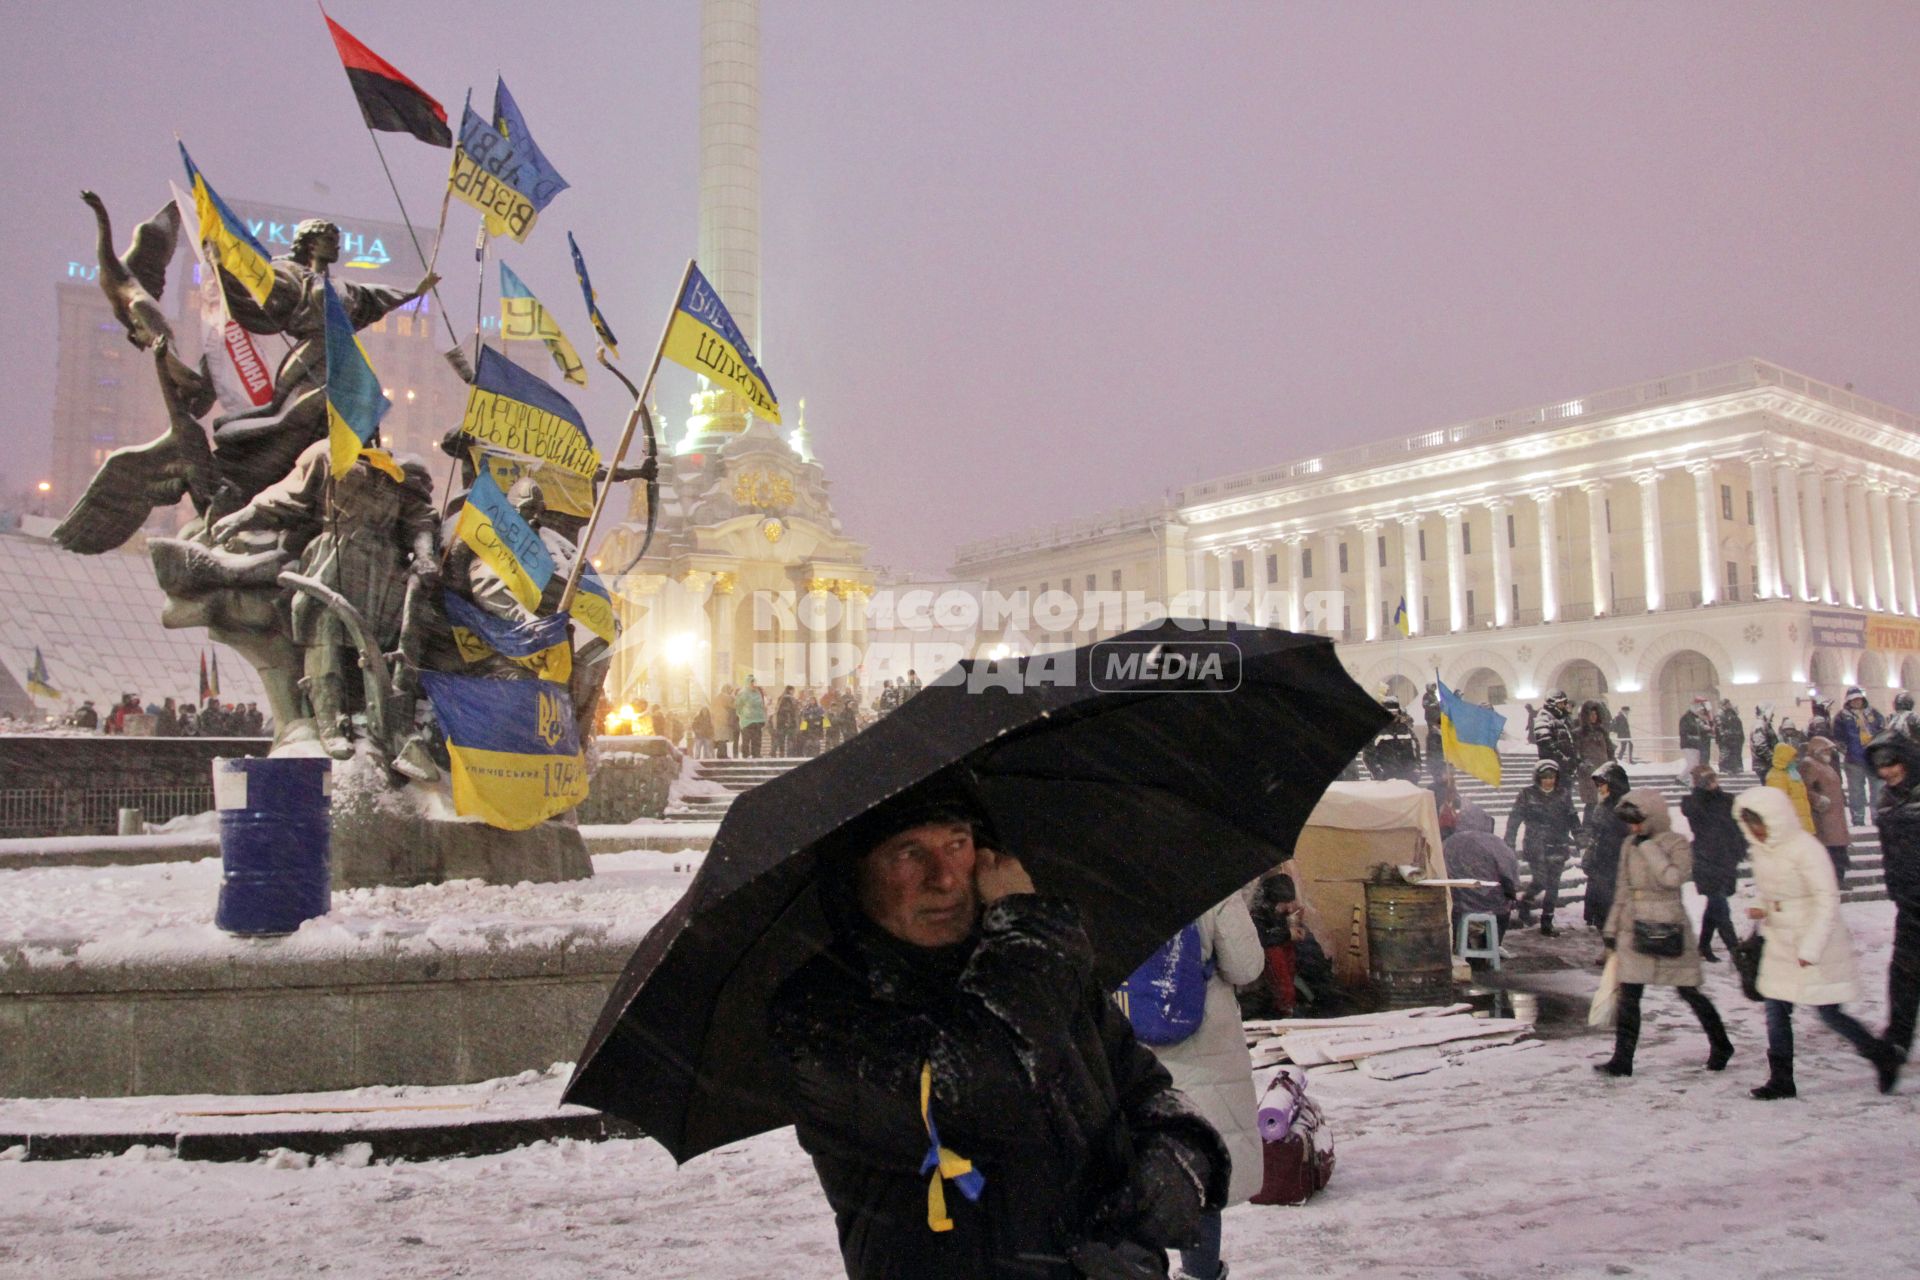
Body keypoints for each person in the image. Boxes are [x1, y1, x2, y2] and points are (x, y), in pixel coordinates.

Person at [769, 794, 1230, 1280]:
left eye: (956, 843)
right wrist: (1027, 925)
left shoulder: (1036, 970)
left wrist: (1180, 1156)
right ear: (855, 875)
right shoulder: (819, 1012)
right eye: (908, 853)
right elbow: (983, 1093)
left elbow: (1145, 1090)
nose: (944, 877)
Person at [1732, 786, 1900, 1099]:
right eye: (1750, 824)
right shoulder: (1761, 850)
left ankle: (1880, 1054)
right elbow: (1771, 890)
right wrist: (1760, 903)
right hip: (1779, 941)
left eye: (1760, 822)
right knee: (1775, 1010)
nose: (1756, 830)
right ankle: (1782, 1078)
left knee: (1828, 1012)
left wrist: (1810, 948)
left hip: (1813, 941)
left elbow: (1826, 901)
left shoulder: (1806, 849)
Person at [1139, 896, 1264, 1280]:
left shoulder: (1097, 872)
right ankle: (1200, 1272)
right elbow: (1246, 967)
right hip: (1205, 1051)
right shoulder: (1208, 878)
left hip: (1129, 1050)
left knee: (1133, 1174)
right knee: (1202, 1175)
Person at [1594, 790, 1734, 1078]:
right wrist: (1611, 928)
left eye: (1638, 822)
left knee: (1688, 990)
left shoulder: (1676, 843)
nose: (1633, 829)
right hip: (1634, 925)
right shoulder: (1628, 845)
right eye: (1630, 823)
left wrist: (1649, 848)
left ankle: (1721, 1043)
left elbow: (1673, 878)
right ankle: (1623, 1059)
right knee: (1629, 995)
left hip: (1668, 925)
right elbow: (1623, 888)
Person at [1867, 730, 1920, 1087]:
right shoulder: (1887, 800)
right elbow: (1889, 849)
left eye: (1892, 762)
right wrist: (1895, 885)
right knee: (1902, 978)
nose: (1887, 771)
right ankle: (1895, 1048)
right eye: (1880, 765)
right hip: (1910, 904)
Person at [1505, 760, 1578, 936]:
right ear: (1538, 778)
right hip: (1535, 845)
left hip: (1558, 844)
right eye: (1544, 777)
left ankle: (1547, 921)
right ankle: (1526, 901)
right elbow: (1515, 819)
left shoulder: (1563, 794)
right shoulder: (1527, 794)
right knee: (1541, 880)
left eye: (1551, 777)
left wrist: (1581, 839)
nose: (1548, 781)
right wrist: (1509, 841)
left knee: (1553, 885)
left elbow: (1573, 819)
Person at [1681, 766, 1745, 962]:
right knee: (1720, 906)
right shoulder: (1693, 803)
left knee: (1715, 905)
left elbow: (1736, 826)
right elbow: (1697, 816)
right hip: (1706, 860)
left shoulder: (1727, 800)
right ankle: (1736, 951)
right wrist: (1699, 792)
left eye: (1714, 778)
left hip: (1726, 859)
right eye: (1707, 780)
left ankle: (1703, 946)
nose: (1713, 783)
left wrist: (1740, 848)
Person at [1445, 800, 1519, 947]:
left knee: (1452, 912)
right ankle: (1492, 944)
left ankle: (1460, 944)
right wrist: (1511, 892)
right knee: (1504, 910)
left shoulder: (1449, 843)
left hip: (1458, 901)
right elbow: (1509, 870)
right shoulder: (1494, 843)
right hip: (1490, 900)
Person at [1582, 762, 1633, 935]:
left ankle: (1615, 950)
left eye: (1602, 784)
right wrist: (1589, 858)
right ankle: (1610, 948)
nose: (1599, 788)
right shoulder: (1602, 805)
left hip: (1616, 865)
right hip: (1601, 865)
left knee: (1615, 911)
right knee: (1603, 913)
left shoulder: (1626, 807)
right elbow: (1595, 836)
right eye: (1598, 785)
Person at [1249, 874, 1304, 1018]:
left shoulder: (1275, 912)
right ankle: (1285, 1006)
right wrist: (1287, 934)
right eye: (1284, 903)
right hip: (1264, 953)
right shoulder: (1257, 914)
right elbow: (1262, 938)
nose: (1289, 908)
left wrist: (1291, 929)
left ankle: (1288, 1002)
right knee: (1275, 954)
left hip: (1278, 952)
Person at [1800, 736, 1852, 879]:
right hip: (1824, 816)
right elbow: (1804, 788)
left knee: (1837, 848)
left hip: (1835, 815)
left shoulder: (1825, 764)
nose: (1829, 753)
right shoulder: (1809, 764)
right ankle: (1835, 877)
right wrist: (1818, 800)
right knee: (1830, 848)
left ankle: (1839, 876)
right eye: (1826, 750)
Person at [1836, 687, 1886, 825]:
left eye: (1858, 699)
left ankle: (1877, 816)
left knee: (1877, 789)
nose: (1856, 702)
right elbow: (1838, 736)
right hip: (1854, 760)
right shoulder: (1841, 717)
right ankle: (1858, 817)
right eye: (1853, 700)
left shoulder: (1873, 713)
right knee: (1856, 791)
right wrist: (1845, 750)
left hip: (1873, 759)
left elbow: (1882, 730)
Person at [1362, 696, 1421, 782]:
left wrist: (1415, 771)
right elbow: (1368, 755)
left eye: (1395, 713)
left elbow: (1415, 750)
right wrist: (1379, 773)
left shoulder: (1406, 730)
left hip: (1406, 780)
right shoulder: (1376, 732)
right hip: (1384, 781)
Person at [1763, 742, 1815, 836]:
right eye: (1792, 757)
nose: (1795, 760)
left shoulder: (1791, 773)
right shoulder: (1776, 776)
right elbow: (1778, 803)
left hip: (1799, 822)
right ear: (1784, 758)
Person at [1573, 700, 1616, 812]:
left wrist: (1612, 765)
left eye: (1595, 714)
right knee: (1592, 804)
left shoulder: (1602, 732)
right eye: (1591, 714)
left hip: (1604, 772)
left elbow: (1610, 751)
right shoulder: (1579, 733)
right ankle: (1588, 828)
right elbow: (1576, 754)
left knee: (1605, 803)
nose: (1594, 716)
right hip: (1589, 774)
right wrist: (1583, 765)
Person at [1530, 690, 1577, 777]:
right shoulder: (1544, 717)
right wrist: (1561, 757)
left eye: (1564, 703)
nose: (1563, 706)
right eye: (1560, 703)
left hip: (1567, 766)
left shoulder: (1564, 718)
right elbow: (1545, 741)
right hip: (1552, 765)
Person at [735, 677, 767, 759]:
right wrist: (742, 715)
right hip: (747, 721)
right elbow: (738, 706)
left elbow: (761, 705)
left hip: (758, 720)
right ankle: (745, 754)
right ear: (748, 683)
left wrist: (763, 717)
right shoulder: (743, 693)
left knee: (757, 739)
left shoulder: (758, 693)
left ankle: (756, 754)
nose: (754, 685)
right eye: (752, 683)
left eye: (754, 683)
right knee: (746, 740)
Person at [1678, 698, 1713, 771]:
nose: (1702, 710)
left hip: (1701, 743)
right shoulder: (1689, 718)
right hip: (1695, 743)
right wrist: (1704, 729)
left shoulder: (1700, 717)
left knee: (1700, 763)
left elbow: (1710, 727)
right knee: (1696, 764)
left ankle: (1685, 779)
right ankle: (1682, 779)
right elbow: (1692, 728)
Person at [1749, 704, 1779, 783]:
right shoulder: (1760, 725)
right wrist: (1773, 759)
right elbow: (1760, 745)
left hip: (1766, 764)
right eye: (1771, 712)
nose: (1773, 715)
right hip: (1764, 765)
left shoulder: (1764, 724)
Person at [1716, 699, 1746, 776]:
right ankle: (1724, 768)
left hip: (1733, 738)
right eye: (1728, 704)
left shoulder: (1731, 715)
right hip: (1725, 739)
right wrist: (1726, 734)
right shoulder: (1720, 714)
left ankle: (1734, 768)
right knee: (1725, 753)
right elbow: (1720, 727)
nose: (1730, 705)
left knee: (1734, 754)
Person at [710, 684, 737, 760]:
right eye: (730, 690)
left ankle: (721, 754)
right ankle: (722, 755)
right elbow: (734, 705)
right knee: (723, 739)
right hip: (723, 720)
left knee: (720, 738)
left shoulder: (717, 697)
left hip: (717, 721)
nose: (731, 692)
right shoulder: (725, 696)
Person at [773, 685, 799, 758]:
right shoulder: (788, 698)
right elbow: (788, 711)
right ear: (790, 690)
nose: (794, 692)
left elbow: (779, 711)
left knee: (781, 739)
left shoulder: (781, 698)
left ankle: (781, 754)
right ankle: (788, 754)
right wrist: (788, 721)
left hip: (781, 722)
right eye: (793, 690)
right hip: (788, 722)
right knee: (789, 739)